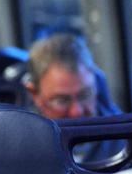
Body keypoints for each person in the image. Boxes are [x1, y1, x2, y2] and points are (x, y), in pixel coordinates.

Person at [26, 33, 123, 163]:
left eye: (85, 95)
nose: (76, 112)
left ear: (97, 84)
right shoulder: (22, 150)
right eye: (61, 100)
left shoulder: (127, 141)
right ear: (34, 94)